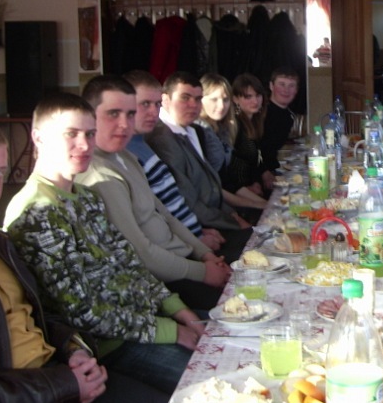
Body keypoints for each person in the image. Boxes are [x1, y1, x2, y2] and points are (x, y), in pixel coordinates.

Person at [3, 94, 202, 395]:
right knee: (221, 383)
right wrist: (172, 331)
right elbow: (82, 312)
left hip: (145, 322)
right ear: (38, 138)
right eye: (71, 134)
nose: (84, 145)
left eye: (90, 134)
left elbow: (129, 262)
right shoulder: (37, 211)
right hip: (109, 347)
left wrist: (180, 312)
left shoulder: (86, 197)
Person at [0, 120, 169, 403]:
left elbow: (38, 313)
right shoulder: (35, 212)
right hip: (35, 394)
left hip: (59, 371)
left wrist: (73, 349)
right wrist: (64, 385)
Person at [77, 75, 230, 310]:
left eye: (130, 114)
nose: (124, 124)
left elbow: (166, 215)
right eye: (113, 114)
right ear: (89, 117)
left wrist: (205, 253)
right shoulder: (100, 175)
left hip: (185, 258)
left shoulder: (126, 156)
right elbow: (141, 253)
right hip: (165, 279)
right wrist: (203, 271)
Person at [145, 71, 255, 261]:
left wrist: (233, 214)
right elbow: (188, 201)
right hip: (197, 232)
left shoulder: (192, 130)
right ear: (165, 100)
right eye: (185, 98)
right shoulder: (162, 139)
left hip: (214, 219)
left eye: (197, 99)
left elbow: (211, 186)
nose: (193, 105)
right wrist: (233, 222)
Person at [124, 69, 226, 252]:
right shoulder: (154, 142)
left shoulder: (143, 143)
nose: (153, 112)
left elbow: (171, 206)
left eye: (156, 104)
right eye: (145, 104)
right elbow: (147, 230)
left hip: (191, 235)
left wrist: (197, 234)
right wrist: (198, 244)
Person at [198, 73, 268, 210]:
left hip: (235, 194)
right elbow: (214, 185)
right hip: (215, 207)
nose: (221, 106)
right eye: (214, 99)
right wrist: (256, 203)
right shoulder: (199, 132)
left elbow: (227, 179)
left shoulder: (223, 129)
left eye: (225, 99)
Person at [223, 72, 267, 196]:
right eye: (248, 97)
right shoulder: (234, 125)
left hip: (252, 187)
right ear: (235, 99)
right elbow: (228, 169)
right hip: (237, 193)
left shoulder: (255, 122)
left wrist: (257, 181)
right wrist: (248, 187)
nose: (255, 101)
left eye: (258, 95)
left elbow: (254, 162)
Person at [259, 66, 300, 191]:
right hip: (258, 175)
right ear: (271, 86)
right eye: (281, 84)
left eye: (291, 86)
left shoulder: (288, 117)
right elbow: (253, 148)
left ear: (296, 90)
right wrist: (264, 172)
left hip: (273, 171)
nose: (286, 90)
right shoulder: (261, 113)